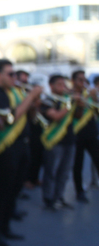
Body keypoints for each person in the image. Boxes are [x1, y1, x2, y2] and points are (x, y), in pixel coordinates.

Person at [0, 60, 41, 246]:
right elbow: (11, 118)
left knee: (15, 188)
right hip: (7, 147)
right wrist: (31, 97)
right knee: (4, 189)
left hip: (23, 145)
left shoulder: (17, 92)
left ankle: (6, 226)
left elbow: (31, 117)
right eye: (10, 74)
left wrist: (34, 103)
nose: (15, 78)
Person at [40, 74, 76, 210]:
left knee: (65, 172)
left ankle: (59, 196)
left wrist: (78, 105)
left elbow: (78, 115)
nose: (63, 87)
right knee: (51, 171)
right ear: (51, 86)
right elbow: (56, 117)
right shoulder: (47, 100)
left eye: (64, 84)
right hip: (54, 141)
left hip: (70, 140)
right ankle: (48, 198)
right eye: (60, 84)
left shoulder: (67, 99)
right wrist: (70, 103)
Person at [70, 70, 99, 203]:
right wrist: (85, 100)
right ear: (74, 81)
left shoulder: (89, 94)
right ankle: (79, 191)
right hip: (76, 134)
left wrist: (94, 97)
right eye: (80, 80)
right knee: (78, 164)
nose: (83, 83)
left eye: (84, 80)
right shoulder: (70, 95)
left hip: (91, 134)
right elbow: (77, 115)